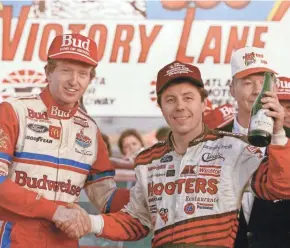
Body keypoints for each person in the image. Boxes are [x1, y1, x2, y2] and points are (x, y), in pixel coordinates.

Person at [58, 60, 290, 248]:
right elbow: (136, 222)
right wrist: (88, 221)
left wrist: (278, 134)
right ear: (161, 107)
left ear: (203, 104)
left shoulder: (234, 148)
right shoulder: (147, 159)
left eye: (188, 98)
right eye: (170, 100)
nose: (180, 106)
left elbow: (281, 187)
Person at [0, 33, 129, 248]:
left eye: (82, 73)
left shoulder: (90, 130)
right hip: (14, 238)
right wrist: (53, 210)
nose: (74, 81)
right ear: (49, 72)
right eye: (66, 70)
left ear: (90, 79)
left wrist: (153, 193)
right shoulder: (13, 112)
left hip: (65, 241)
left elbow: (106, 197)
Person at [219, 47, 290, 248]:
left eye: (263, 82)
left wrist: (278, 136)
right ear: (232, 89)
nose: (258, 90)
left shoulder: (286, 138)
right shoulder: (213, 139)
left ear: (274, 89)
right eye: (248, 83)